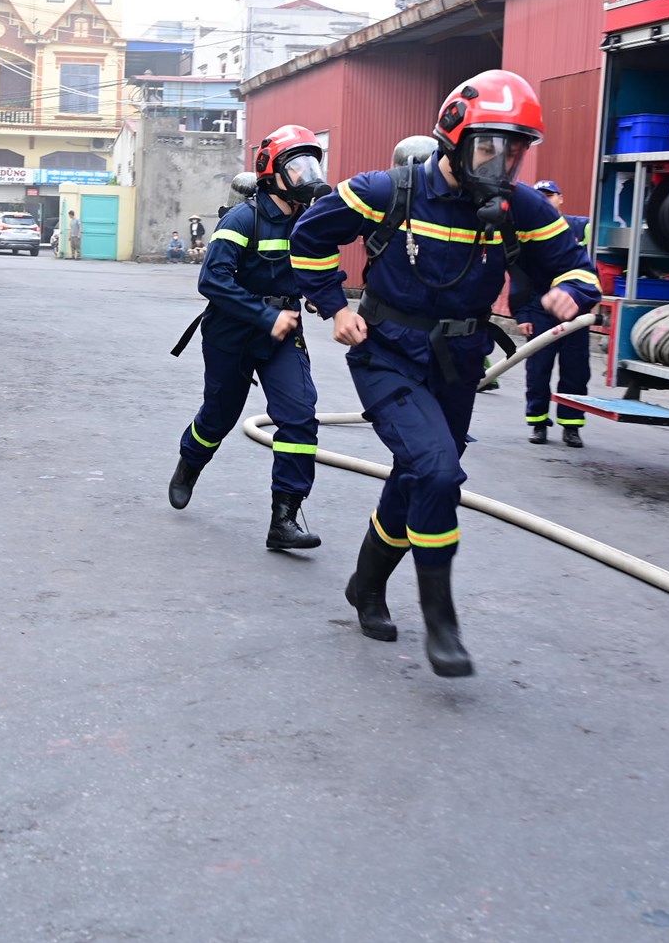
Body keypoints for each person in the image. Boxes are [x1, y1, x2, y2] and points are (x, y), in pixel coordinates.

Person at [288, 71, 599, 677]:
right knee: (437, 471)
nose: (502, 162)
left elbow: (577, 266)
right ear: (454, 139)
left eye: (515, 150)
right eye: (490, 146)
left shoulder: (518, 207)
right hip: (387, 355)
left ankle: (366, 583)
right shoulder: (388, 191)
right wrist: (334, 308)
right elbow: (309, 237)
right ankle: (441, 620)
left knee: (417, 476)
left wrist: (571, 290)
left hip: (458, 363)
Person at [167, 125, 331, 552]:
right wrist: (264, 315)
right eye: (297, 166)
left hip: (283, 336)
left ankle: (285, 518)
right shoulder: (242, 219)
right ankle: (190, 462)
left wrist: (322, 297)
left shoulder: (309, 221)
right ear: (271, 174)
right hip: (232, 334)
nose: (307, 175)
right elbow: (212, 281)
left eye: (311, 165)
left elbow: (317, 268)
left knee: (299, 416)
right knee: (219, 417)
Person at [515, 180, 592, 447]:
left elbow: (598, 255)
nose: (544, 201)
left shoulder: (582, 227)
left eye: (549, 196)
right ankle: (538, 423)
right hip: (541, 309)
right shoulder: (526, 232)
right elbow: (519, 276)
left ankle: (572, 426)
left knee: (576, 372)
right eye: (540, 197)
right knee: (538, 371)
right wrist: (522, 314)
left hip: (576, 310)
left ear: (561, 198)